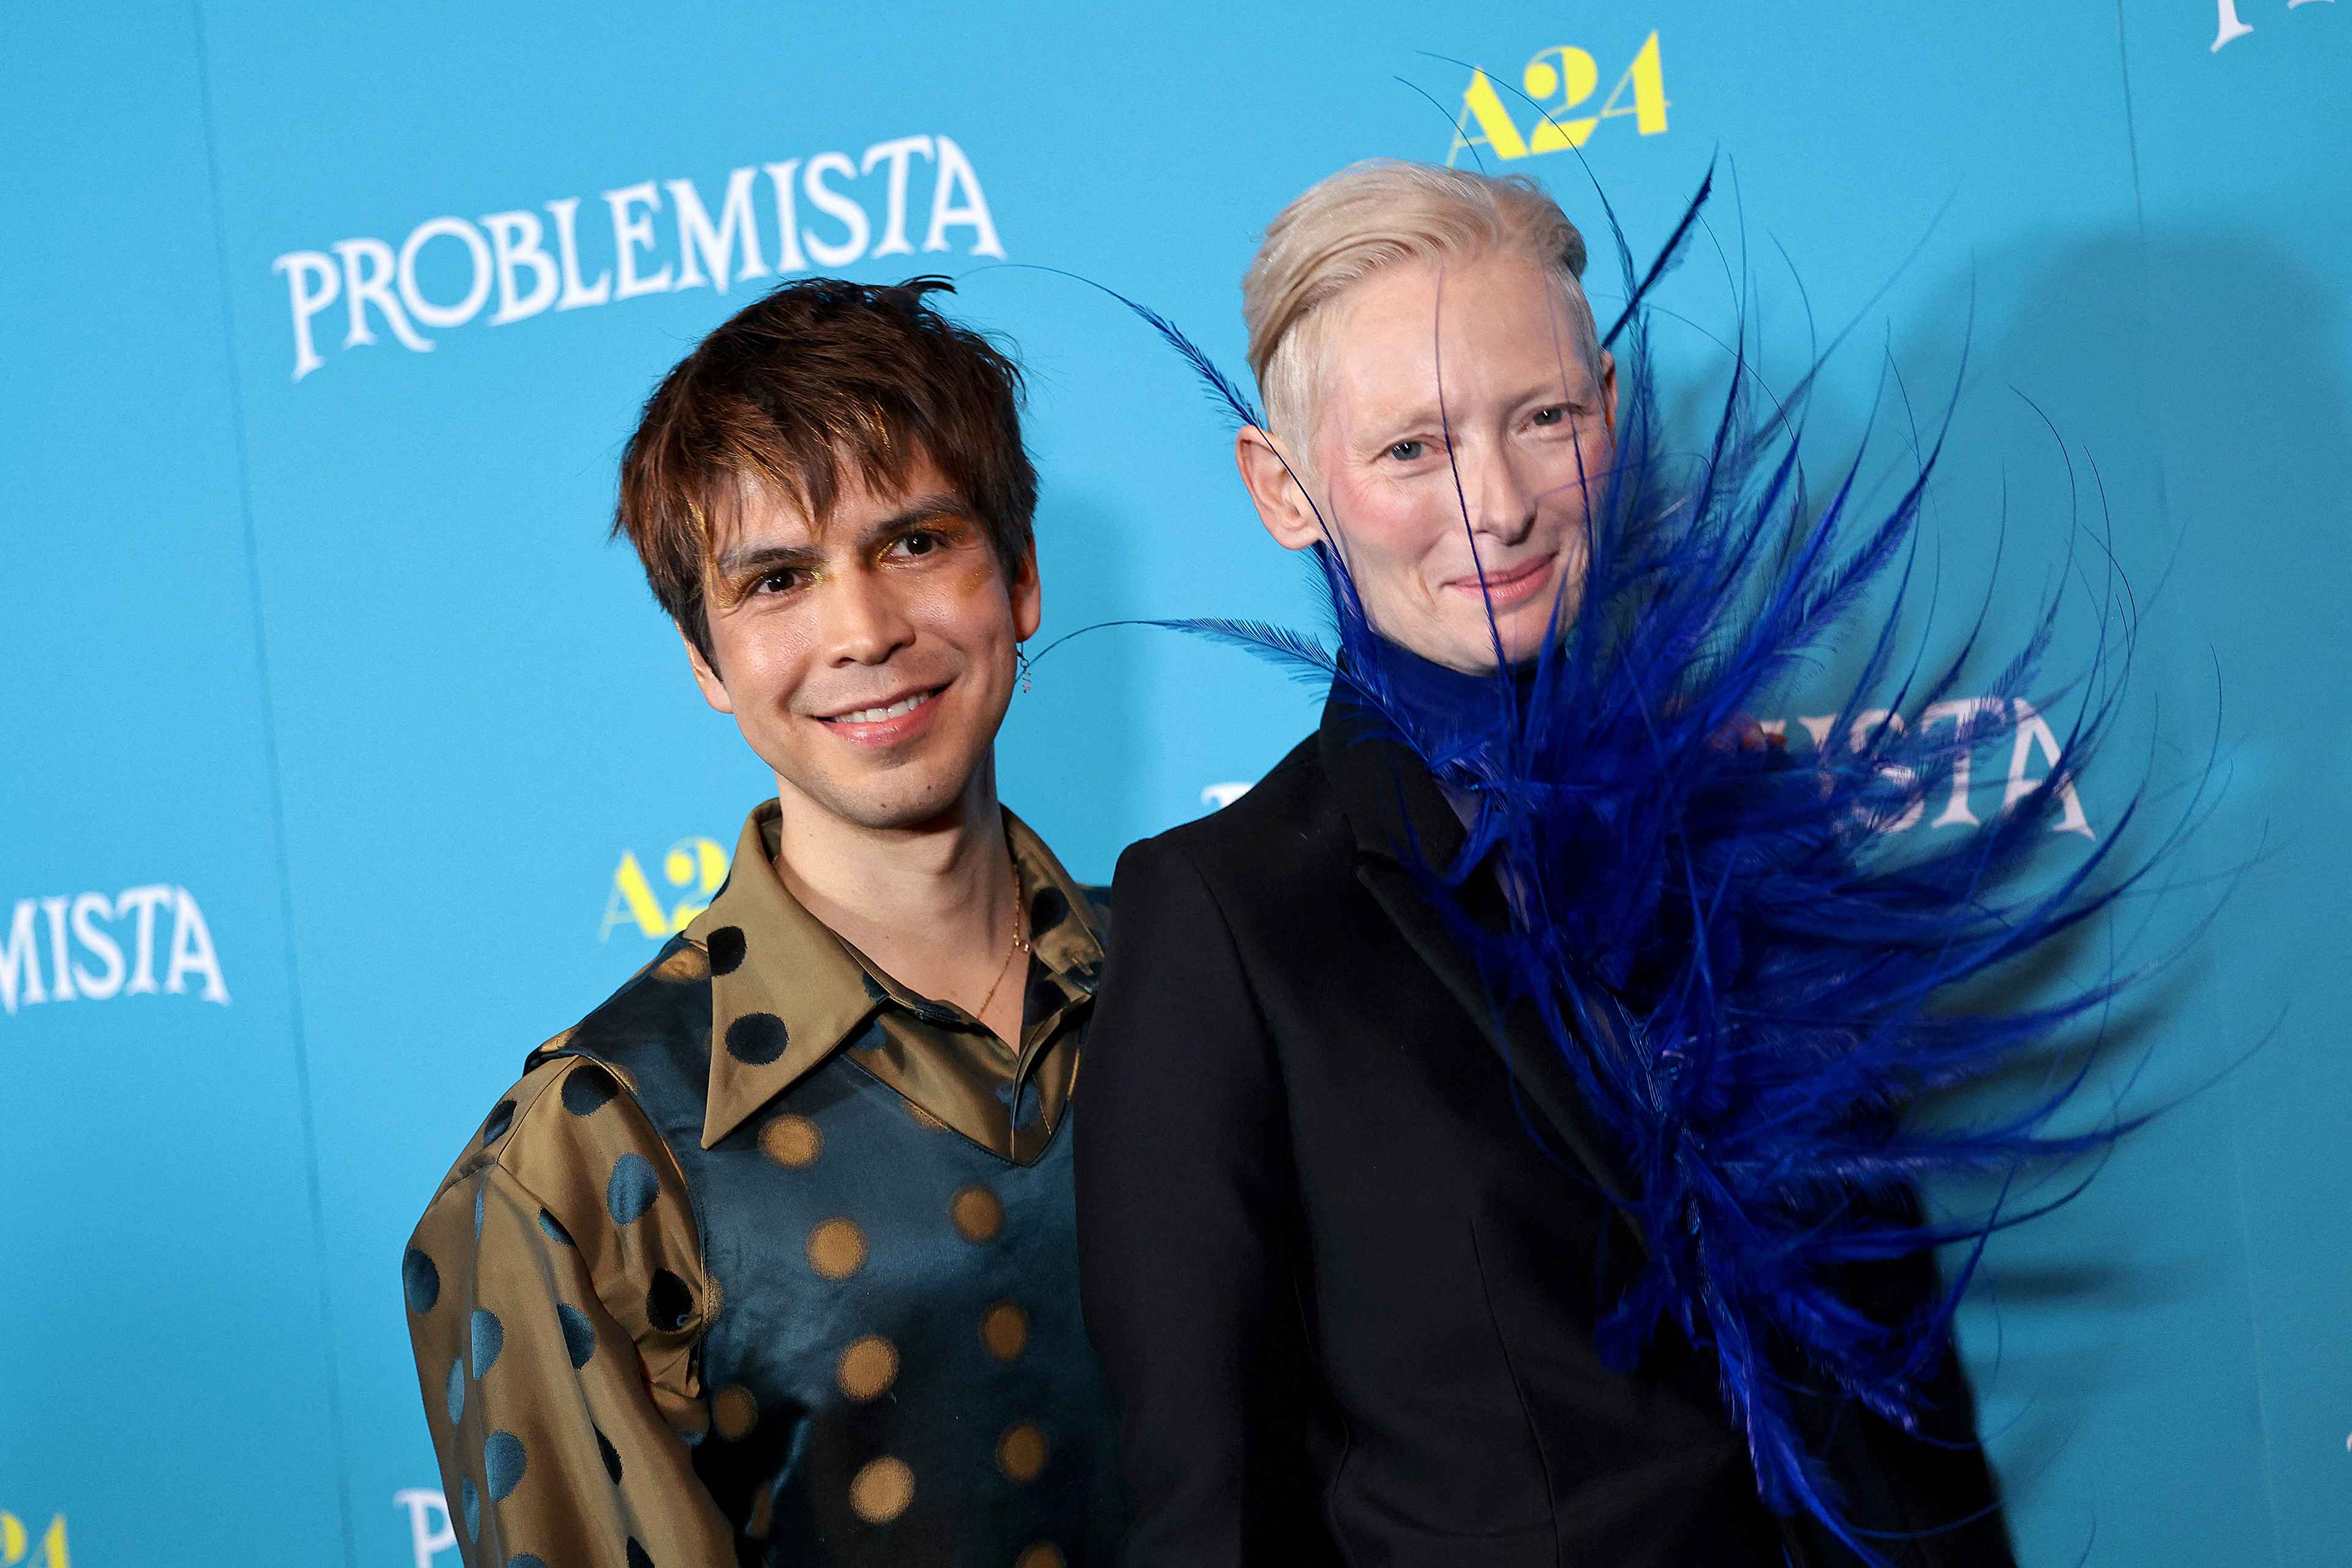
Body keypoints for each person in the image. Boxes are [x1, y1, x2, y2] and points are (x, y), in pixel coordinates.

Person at [1074, 161, 2030, 1566]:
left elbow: (1906, 1398)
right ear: (1284, 490)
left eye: (1543, 417)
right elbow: (1209, 1520)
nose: (1500, 505)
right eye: (1412, 448)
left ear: (1613, 414)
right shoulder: (1225, 925)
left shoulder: (1755, 822)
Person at [401, 276, 1121, 1567]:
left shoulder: (1207, 976)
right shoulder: (582, 1157)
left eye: (914, 542)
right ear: (706, 657)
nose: (863, 630)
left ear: (1018, 576)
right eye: (779, 578)